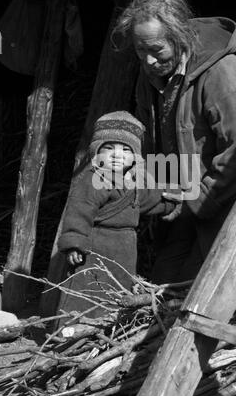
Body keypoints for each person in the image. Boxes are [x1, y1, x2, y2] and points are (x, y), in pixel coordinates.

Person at [113, 0, 236, 284]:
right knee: (162, 288)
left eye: (156, 49)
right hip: (181, 210)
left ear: (180, 37)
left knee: (197, 295)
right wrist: (154, 196)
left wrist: (199, 199)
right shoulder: (151, 78)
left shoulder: (226, 76)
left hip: (224, 209)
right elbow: (154, 142)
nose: (147, 60)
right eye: (140, 50)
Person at [57, 110, 181, 318]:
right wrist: (73, 242)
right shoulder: (93, 179)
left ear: (134, 156)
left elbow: (150, 201)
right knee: (87, 289)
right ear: (97, 153)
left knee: (117, 292)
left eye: (125, 149)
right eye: (109, 148)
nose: (117, 155)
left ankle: (105, 331)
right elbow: (79, 209)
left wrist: (172, 203)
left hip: (124, 252)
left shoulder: (133, 183)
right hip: (95, 247)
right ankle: (70, 332)